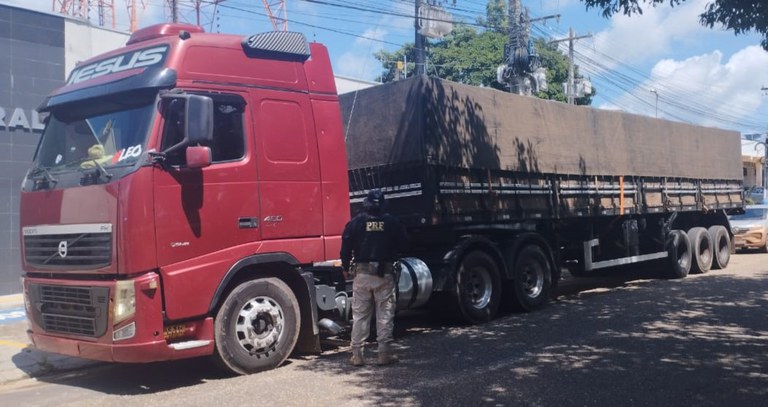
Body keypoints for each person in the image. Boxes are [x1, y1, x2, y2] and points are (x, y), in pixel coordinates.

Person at [341, 189, 408, 366]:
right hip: (384, 275)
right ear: (383, 205)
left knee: (360, 315)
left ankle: (357, 355)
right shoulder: (392, 222)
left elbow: (345, 246)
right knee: (384, 314)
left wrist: (345, 266)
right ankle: (384, 355)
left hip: (362, 275)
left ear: (366, 205)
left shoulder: (355, 223)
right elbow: (404, 243)